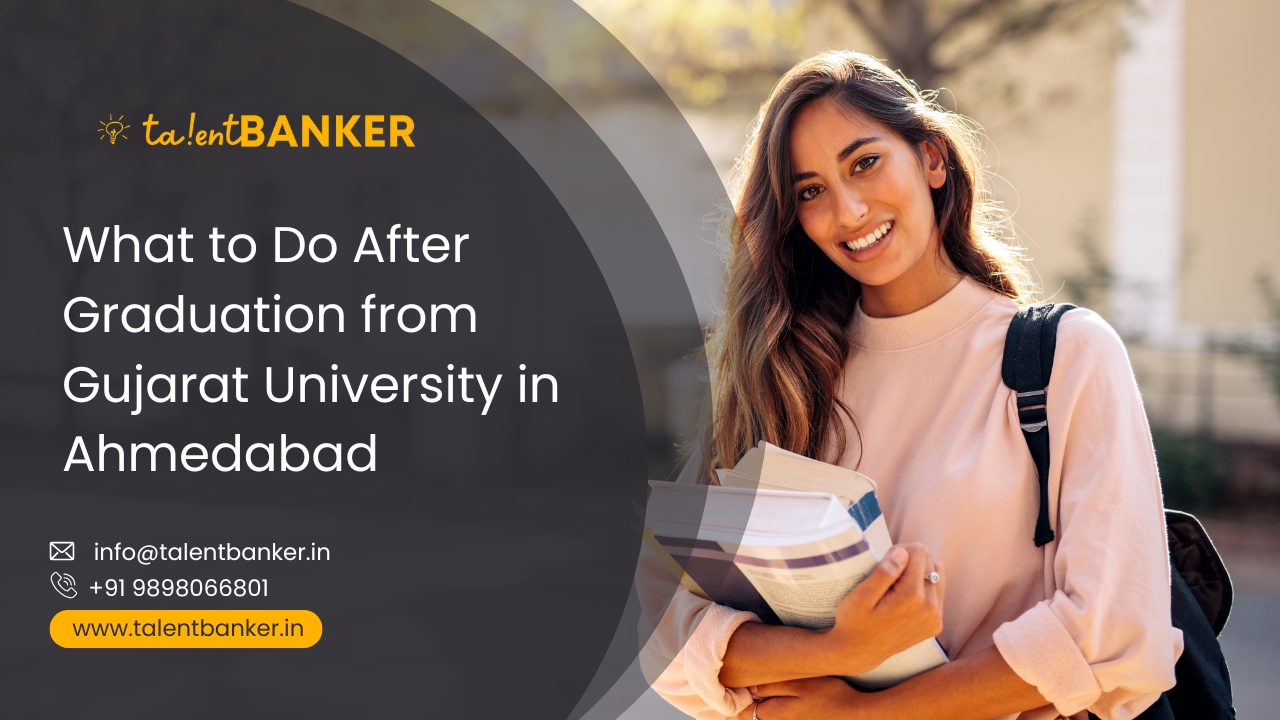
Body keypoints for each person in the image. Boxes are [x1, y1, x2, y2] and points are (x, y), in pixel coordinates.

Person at [636, 51, 1183, 720]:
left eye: (864, 162)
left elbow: (1112, 636)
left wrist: (861, 714)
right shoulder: (781, 376)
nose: (849, 209)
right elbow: (664, 625)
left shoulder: (1066, 356)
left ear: (931, 159)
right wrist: (837, 649)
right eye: (810, 191)